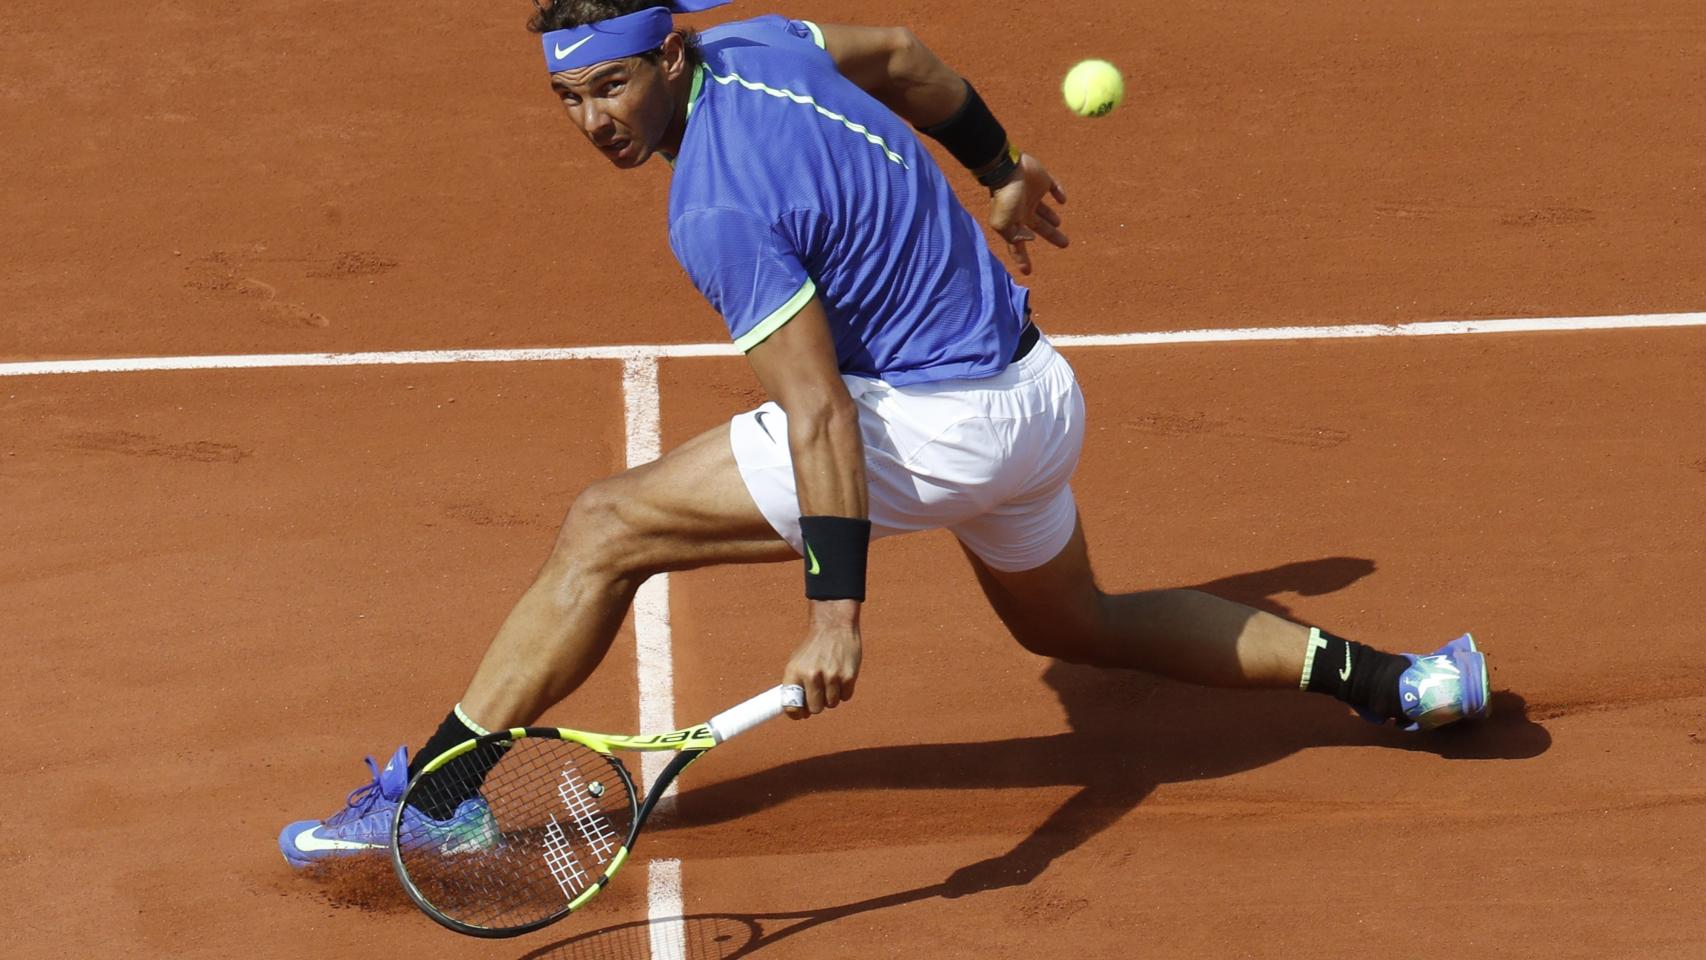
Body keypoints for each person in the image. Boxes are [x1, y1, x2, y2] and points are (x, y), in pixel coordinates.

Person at [279, 0, 1489, 867]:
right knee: (1077, 625)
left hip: (939, 425)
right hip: (1036, 398)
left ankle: (437, 798)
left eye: (609, 86)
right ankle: (1402, 683)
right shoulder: (765, 41)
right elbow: (907, 57)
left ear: (664, 53)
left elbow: (817, 411)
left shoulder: (715, 208)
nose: (593, 121)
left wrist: (833, 615)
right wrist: (1003, 167)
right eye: (567, 98)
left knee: (604, 526)